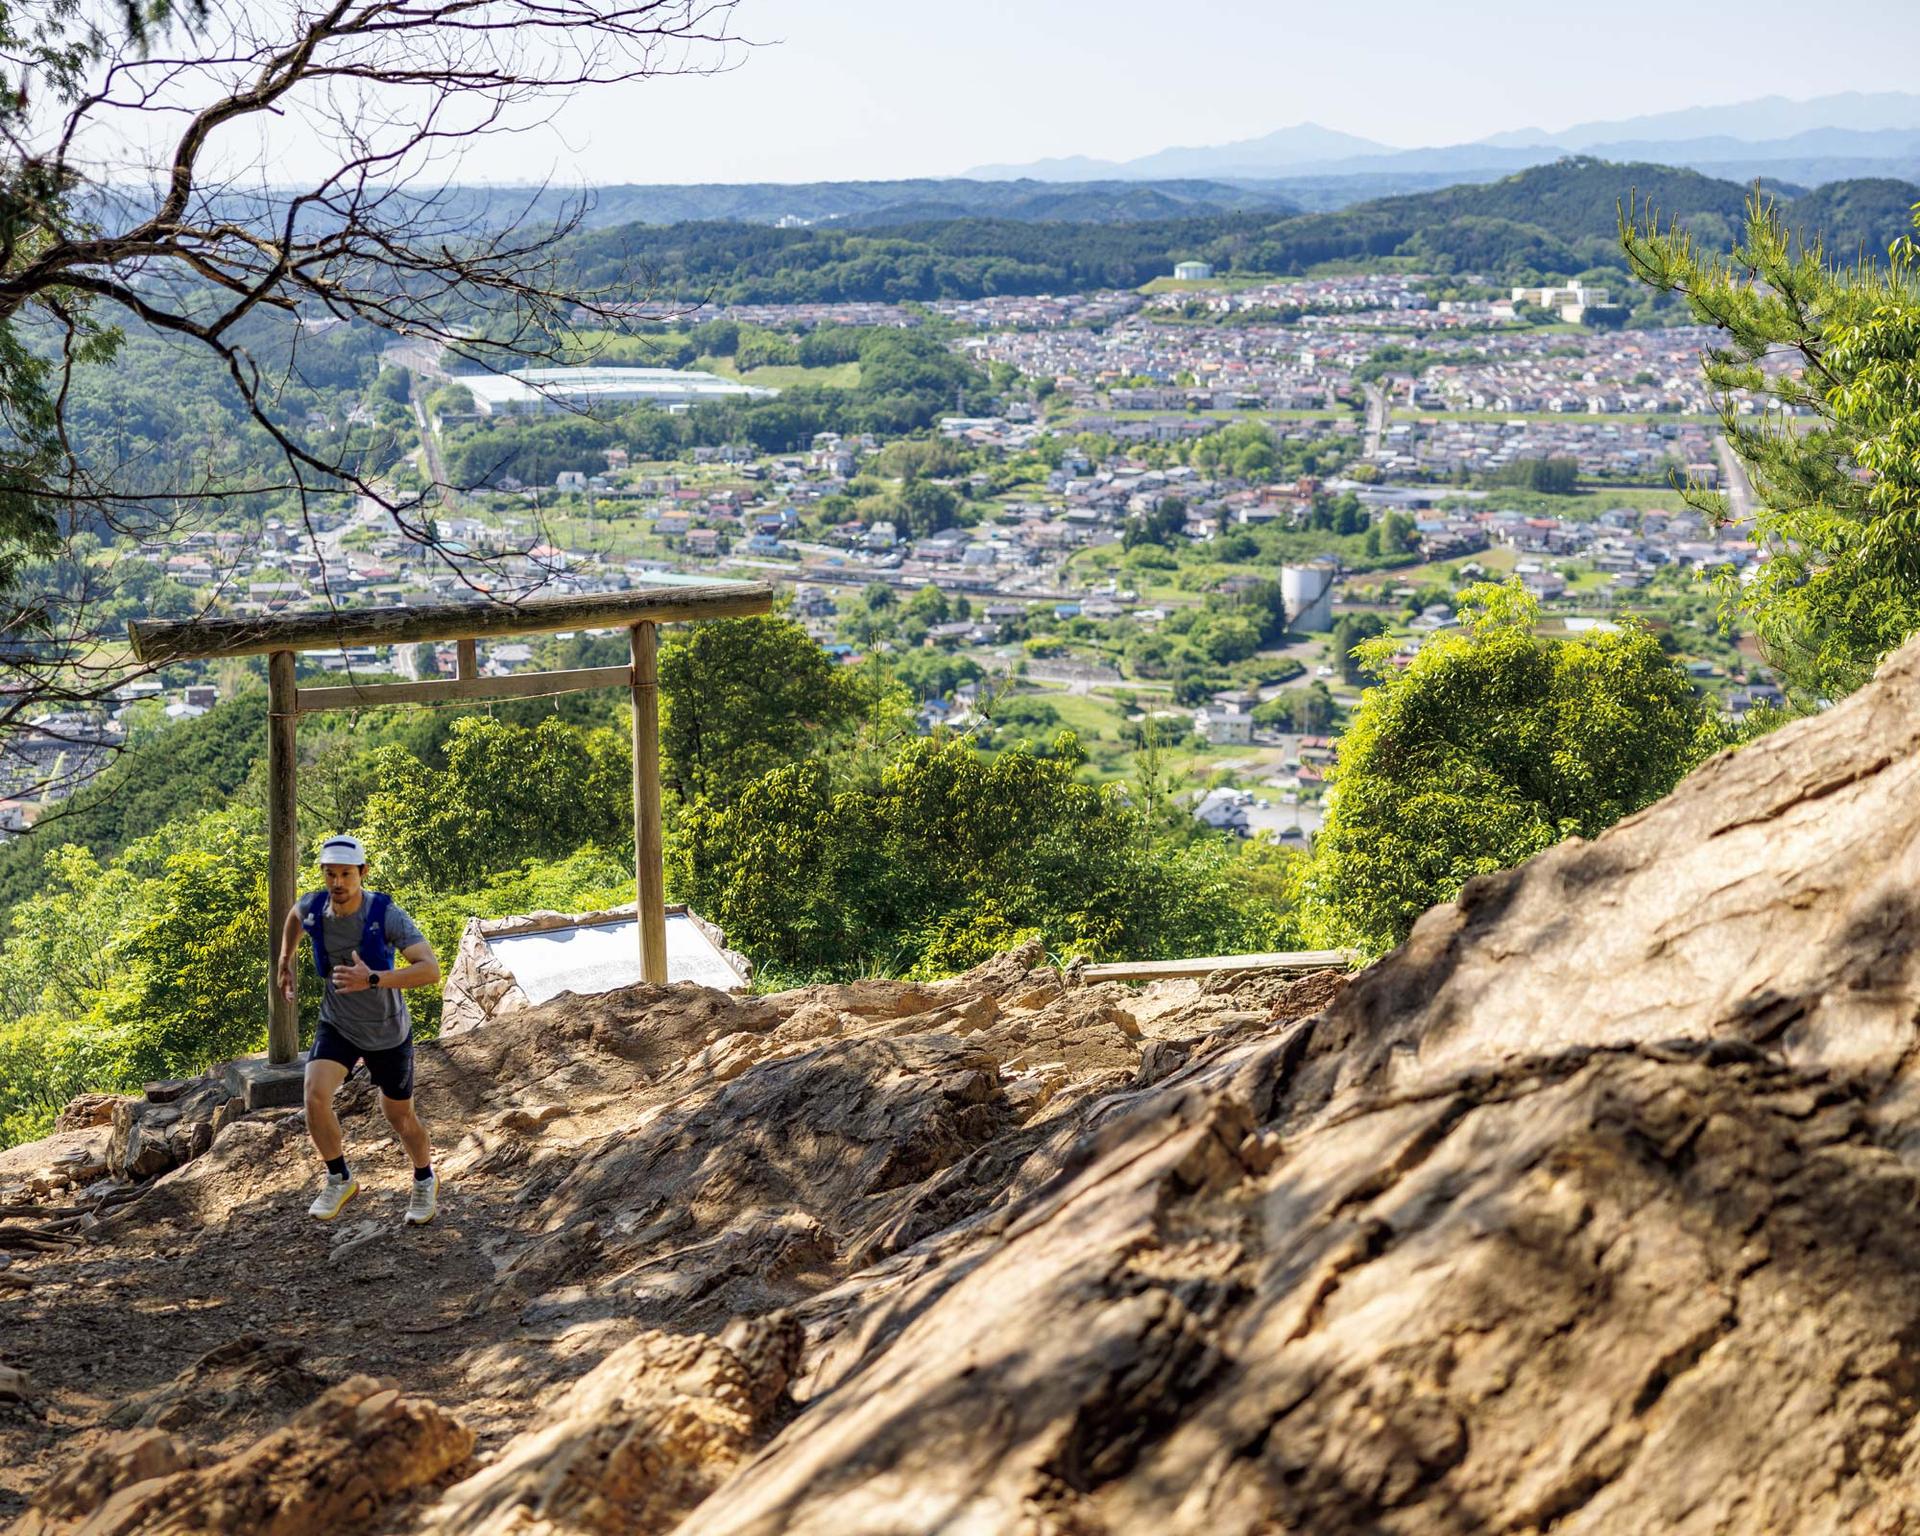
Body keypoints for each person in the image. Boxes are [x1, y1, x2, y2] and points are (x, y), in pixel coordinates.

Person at [277, 835, 442, 1225]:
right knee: (314, 1094)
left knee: (399, 1116)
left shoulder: (385, 914)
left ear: (362, 873)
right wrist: (285, 960)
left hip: (387, 1030)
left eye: (346, 874)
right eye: (330, 874)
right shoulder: (314, 907)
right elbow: (294, 917)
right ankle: (339, 1178)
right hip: (338, 1023)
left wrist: (373, 979)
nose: (338, 883)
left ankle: (424, 1178)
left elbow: (430, 970)